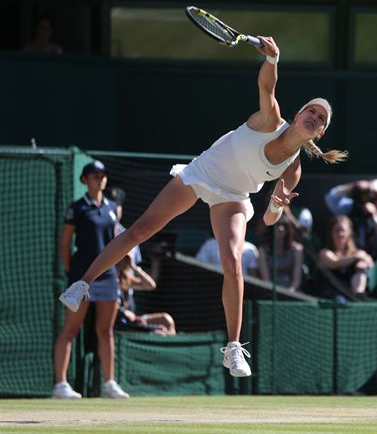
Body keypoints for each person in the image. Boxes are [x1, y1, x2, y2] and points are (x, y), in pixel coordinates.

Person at [58, 36, 347, 379]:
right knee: (141, 229)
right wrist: (273, 60)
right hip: (202, 173)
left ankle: (233, 348)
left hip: (235, 197)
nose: (314, 117)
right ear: (298, 115)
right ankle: (82, 284)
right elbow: (267, 86)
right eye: (311, 111)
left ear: (321, 133)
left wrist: (276, 205)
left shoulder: (293, 170)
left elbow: (269, 219)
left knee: (233, 263)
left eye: (321, 118)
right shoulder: (271, 120)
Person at [53, 161, 129, 399]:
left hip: (108, 278)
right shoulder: (76, 208)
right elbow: (65, 245)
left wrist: (119, 270)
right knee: (70, 330)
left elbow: (117, 242)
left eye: (103, 175)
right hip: (81, 277)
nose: (100, 179)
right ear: (85, 179)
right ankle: (60, 385)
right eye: (95, 176)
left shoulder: (113, 208)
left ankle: (109, 383)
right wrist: (72, 274)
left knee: (105, 331)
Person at [324, 179, 377, 258]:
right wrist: (353, 186)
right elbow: (330, 198)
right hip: (350, 257)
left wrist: (374, 216)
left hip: (375, 260)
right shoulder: (352, 208)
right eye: (372, 196)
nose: (376, 201)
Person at [115, 249, 176, 335]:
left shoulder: (126, 279)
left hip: (135, 319)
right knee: (160, 331)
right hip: (122, 322)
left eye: (127, 258)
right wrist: (122, 312)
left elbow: (151, 285)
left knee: (166, 319)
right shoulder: (109, 278)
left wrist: (134, 267)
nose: (124, 260)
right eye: (123, 257)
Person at [317, 216, 374, 300]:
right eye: (336, 231)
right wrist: (356, 257)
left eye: (343, 230)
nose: (340, 234)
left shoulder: (357, 253)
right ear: (331, 233)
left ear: (349, 233)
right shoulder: (325, 253)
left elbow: (370, 262)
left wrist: (364, 263)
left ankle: (359, 297)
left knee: (361, 270)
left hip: (351, 295)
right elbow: (334, 263)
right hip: (332, 296)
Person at [258, 218, 304, 292]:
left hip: (292, 293)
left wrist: (290, 291)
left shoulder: (297, 250)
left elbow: (296, 279)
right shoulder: (263, 251)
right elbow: (266, 279)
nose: (280, 229)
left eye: (284, 226)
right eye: (277, 226)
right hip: (271, 293)